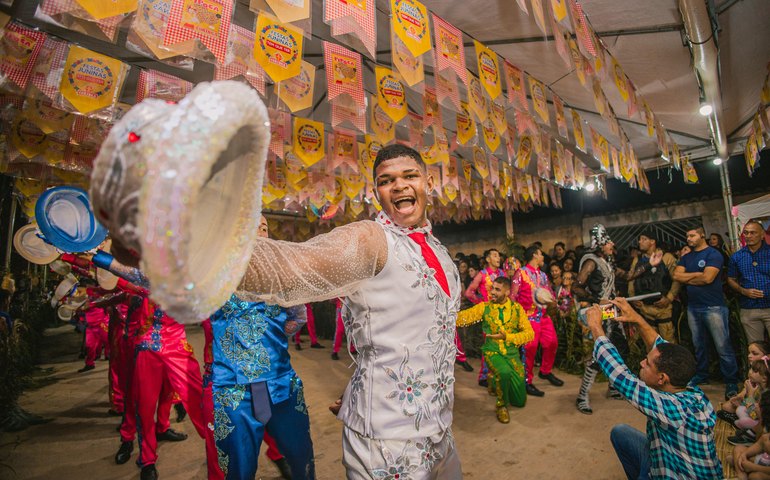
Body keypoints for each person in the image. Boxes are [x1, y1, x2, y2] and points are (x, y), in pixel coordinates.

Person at [232, 144, 463, 478]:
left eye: (409, 176)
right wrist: (202, 247)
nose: (399, 185)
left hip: (439, 428)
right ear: (377, 193)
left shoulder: (437, 248)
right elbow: (289, 269)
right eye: (387, 181)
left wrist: (359, 386)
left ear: (428, 182)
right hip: (387, 440)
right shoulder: (370, 239)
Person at [202, 215, 316, 479]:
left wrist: (272, 338)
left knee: (302, 460)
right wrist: (102, 260)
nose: (260, 233)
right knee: (238, 470)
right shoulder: (215, 277)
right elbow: (162, 284)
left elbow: (298, 317)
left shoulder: (282, 275)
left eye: (263, 228)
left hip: (281, 385)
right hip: (232, 389)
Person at [585, 298, 723, 479]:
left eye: (647, 364)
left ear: (661, 378)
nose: (642, 363)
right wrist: (636, 318)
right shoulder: (686, 386)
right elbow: (659, 345)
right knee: (620, 433)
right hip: (666, 460)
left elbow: (621, 378)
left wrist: (596, 327)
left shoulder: (672, 408)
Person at [573, 224, 649, 414]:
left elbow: (629, 276)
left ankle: (613, 388)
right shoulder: (591, 262)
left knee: (619, 348)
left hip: (612, 313)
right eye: (608, 242)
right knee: (598, 354)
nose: (612, 244)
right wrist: (598, 300)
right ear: (600, 244)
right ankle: (582, 396)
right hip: (599, 313)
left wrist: (650, 264)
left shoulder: (608, 261)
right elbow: (576, 288)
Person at [674, 226, 739, 399]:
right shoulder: (686, 257)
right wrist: (698, 275)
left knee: (722, 346)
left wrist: (690, 277)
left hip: (714, 307)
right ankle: (702, 374)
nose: (689, 238)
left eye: (692, 235)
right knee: (699, 345)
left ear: (702, 235)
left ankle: (731, 380)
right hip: (693, 308)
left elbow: (708, 278)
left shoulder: (713, 254)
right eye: (687, 235)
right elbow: (677, 276)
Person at [456, 277, 533, 423]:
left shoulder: (517, 309)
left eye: (497, 289)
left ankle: (493, 381)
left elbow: (529, 334)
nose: (492, 292)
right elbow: (463, 318)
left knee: (519, 401)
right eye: (492, 288)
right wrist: (445, 314)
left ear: (507, 292)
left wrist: (507, 337)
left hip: (512, 355)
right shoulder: (484, 307)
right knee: (504, 373)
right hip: (493, 351)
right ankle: (501, 406)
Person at [510, 245, 563, 397]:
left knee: (552, 342)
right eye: (541, 255)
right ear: (534, 255)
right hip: (528, 317)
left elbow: (549, 293)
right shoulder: (520, 273)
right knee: (530, 348)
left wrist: (556, 301)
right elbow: (513, 298)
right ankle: (527, 380)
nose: (543, 258)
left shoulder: (543, 275)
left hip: (544, 317)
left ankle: (545, 371)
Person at [628, 230, 681, 343]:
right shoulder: (637, 260)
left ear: (652, 242)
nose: (640, 242)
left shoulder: (666, 257)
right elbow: (631, 280)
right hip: (644, 308)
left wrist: (669, 298)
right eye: (640, 239)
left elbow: (676, 279)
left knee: (668, 341)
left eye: (644, 239)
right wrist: (633, 298)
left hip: (663, 308)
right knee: (651, 343)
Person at [465, 248, 507, 387]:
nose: (498, 258)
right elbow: (469, 293)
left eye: (499, 255)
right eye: (495, 255)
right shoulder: (482, 275)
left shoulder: (502, 273)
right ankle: (484, 375)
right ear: (488, 259)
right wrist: (481, 303)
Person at [727, 220, 770, 344]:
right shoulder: (737, 256)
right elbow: (731, 279)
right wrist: (743, 291)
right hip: (749, 308)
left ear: (762, 235)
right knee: (756, 349)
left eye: (753, 233)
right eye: (746, 233)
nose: (749, 236)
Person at [730, 391, 770, 480]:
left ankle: (745, 469)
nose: (755, 406)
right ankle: (742, 477)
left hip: (764, 468)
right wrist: (744, 454)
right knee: (738, 449)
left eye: (759, 406)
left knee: (755, 476)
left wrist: (752, 467)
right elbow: (759, 443)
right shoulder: (766, 435)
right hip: (764, 459)